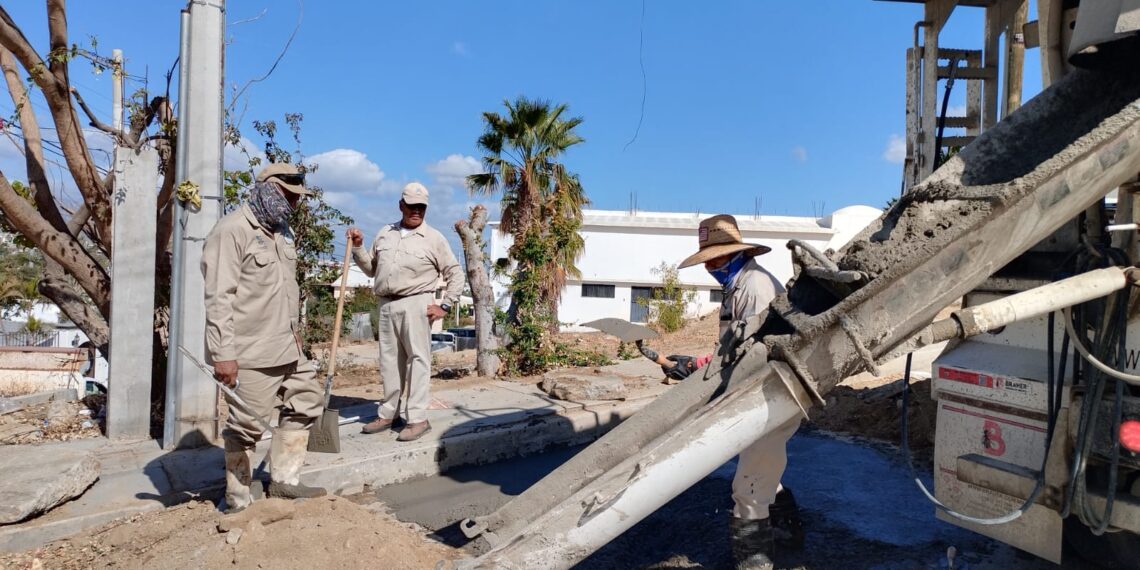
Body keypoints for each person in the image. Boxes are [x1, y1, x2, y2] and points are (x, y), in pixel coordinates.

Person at [673, 214, 804, 570]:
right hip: (760, 392)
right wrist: (701, 363)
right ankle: (790, 536)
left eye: (715, 260)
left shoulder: (754, 287)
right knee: (762, 469)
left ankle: (755, 562)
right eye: (707, 262)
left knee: (748, 490)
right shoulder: (738, 286)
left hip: (769, 394)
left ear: (736, 254)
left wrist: (708, 371)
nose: (710, 268)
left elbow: (756, 352)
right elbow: (735, 341)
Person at [202, 162, 327, 513]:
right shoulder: (231, 231)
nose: (294, 203)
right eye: (289, 196)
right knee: (246, 425)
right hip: (251, 350)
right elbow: (218, 297)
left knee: (307, 401)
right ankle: (238, 498)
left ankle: (285, 481)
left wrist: (296, 333)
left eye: (297, 197)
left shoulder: (282, 231)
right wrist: (223, 354)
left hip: (288, 345)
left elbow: (287, 289)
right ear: (269, 190)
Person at [346, 182, 464, 442]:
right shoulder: (385, 233)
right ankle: (389, 413)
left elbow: (455, 273)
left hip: (416, 304)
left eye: (421, 207)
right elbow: (371, 269)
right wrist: (358, 247)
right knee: (389, 362)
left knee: (418, 361)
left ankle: (417, 418)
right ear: (401, 205)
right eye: (412, 206)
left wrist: (445, 305)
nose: (416, 211)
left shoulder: (434, 238)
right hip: (386, 305)